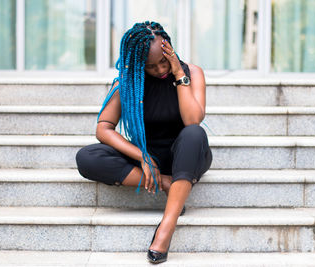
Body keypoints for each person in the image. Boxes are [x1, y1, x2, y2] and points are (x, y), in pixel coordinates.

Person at [75, 21, 212, 264]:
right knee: (87, 157)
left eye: (163, 61)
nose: (160, 69)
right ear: (139, 64)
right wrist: (142, 157)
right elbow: (103, 128)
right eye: (151, 66)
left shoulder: (193, 73)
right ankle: (168, 184)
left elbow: (193, 120)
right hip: (149, 156)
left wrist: (178, 73)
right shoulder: (128, 84)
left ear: (169, 48)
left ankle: (166, 228)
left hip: (187, 154)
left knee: (194, 133)